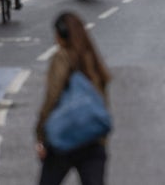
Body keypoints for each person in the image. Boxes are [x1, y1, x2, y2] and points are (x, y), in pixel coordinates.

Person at [36, 12, 111, 185]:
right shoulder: (93, 59)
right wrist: (101, 140)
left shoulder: (61, 57)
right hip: (93, 140)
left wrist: (41, 135)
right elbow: (103, 101)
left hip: (64, 137)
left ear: (61, 34)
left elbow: (52, 97)